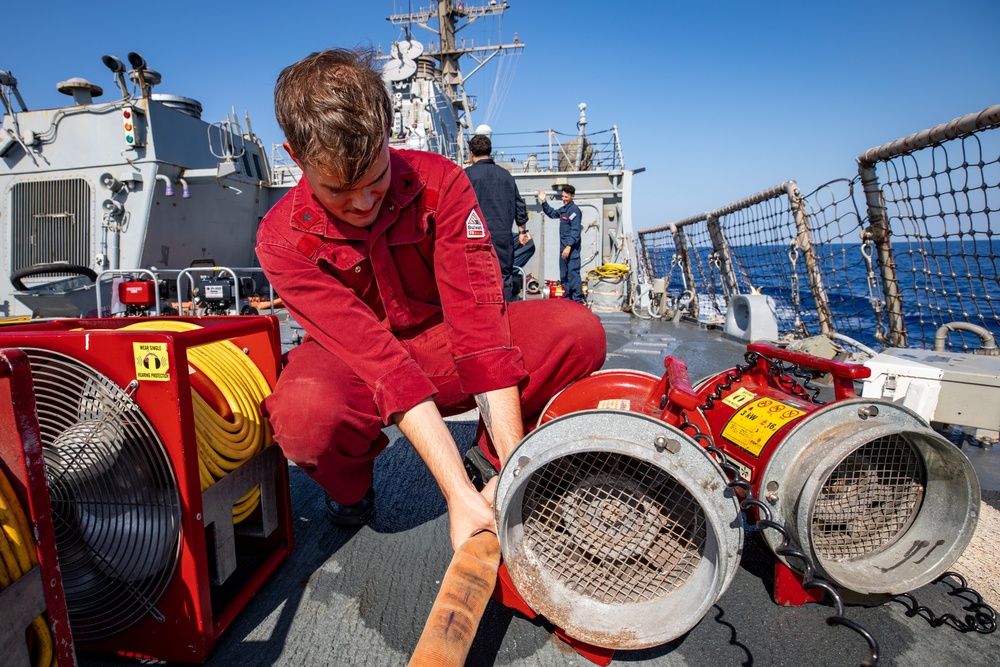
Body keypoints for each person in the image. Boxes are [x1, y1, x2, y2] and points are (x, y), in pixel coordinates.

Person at [255, 48, 606, 551]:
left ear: (387, 131)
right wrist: (455, 494)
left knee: (577, 331)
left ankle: (493, 460)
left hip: (444, 348)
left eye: (375, 180)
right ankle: (352, 492)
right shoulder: (279, 239)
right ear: (295, 157)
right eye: (339, 190)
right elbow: (375, 358)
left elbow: (478, 323)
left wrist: (515, 469)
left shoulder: (441, 181)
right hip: (352, 364)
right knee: (305, 415)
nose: (361, 204)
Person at [465, 134, 529, 300]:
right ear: (490, 151)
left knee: (476, 278)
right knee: (504, 277)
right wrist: (522, 231)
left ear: (471, 153)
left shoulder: (466, 175)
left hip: (475, 237)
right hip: (503, 237)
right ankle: (505, 317)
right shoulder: (506, 176)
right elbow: (519, 205)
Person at [537, 184, 584, 303]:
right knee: (564, 276)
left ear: (572, 196)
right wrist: (544, 201)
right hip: (563, 249)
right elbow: (552, 213)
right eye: (563, 196)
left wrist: (568, 247)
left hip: (571, 250)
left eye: (566, 197)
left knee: (573, 275)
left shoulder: (574, 211)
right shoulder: (564, 209)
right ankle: (568, 301)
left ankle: (578, 301)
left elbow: (575, 232)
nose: (564, 199)